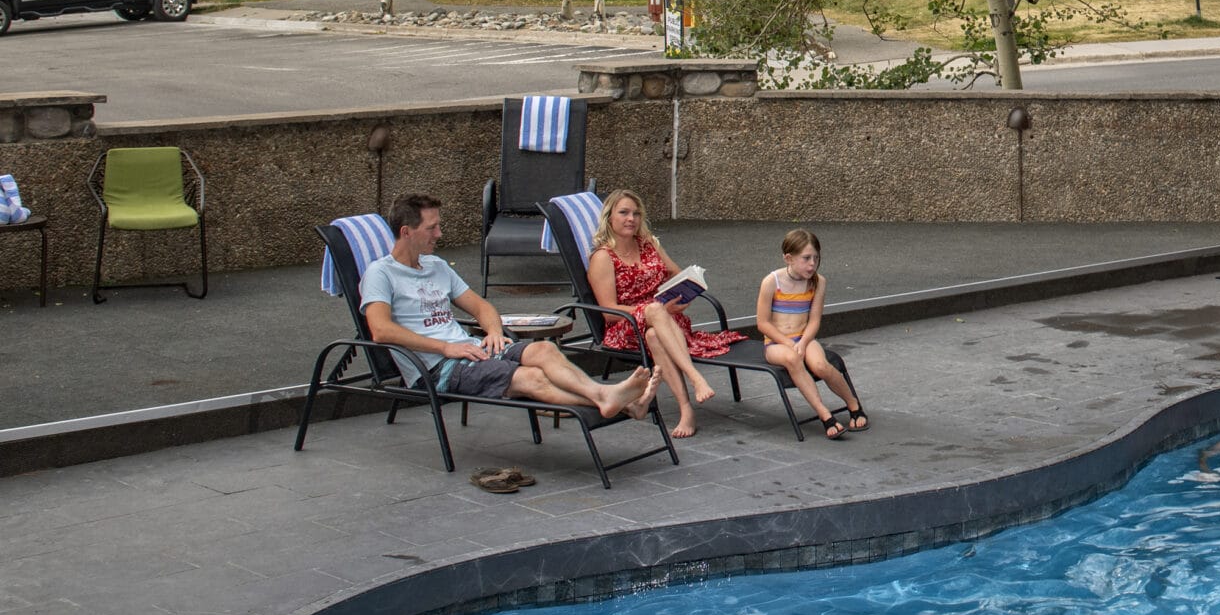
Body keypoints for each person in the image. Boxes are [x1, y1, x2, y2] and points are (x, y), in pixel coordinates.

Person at [360, 193, 658, 418]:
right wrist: (446, 348)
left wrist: (493, 332)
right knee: (531, 378)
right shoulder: (381, 273)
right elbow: (381, 330)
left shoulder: (436, 266)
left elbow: (482, 307)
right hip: (437, 367)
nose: (439, 234)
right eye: (431, 228)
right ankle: (612, 400)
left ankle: (610, 399)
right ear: (406, 232)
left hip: (470, 349)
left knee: (543, 350)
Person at [587, 188, 743, 440]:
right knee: (654, 311)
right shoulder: (603, 257)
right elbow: (609, 312)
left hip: (665, 323)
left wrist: (681, 294)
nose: (631, 219)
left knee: (654, 336)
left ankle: (685, 409)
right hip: (626, 327)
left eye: (636, 213)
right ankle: (695, 378)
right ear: (609, 217)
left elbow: (677, 273)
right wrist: (653, 309)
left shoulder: (648, 244)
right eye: (624, 212)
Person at [754, 229, 870, 440]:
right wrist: (789, 344)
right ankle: (825, 415)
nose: (812, 264)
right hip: (777, 343)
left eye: (816, 258)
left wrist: (804, 341)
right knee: (792, 359)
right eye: (806, 258)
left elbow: (814, 320)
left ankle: (853, 404)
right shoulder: (771, 282)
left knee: (820, 365)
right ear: (788, 258)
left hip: (804, 337)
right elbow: (763, 323)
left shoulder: (818, 282)